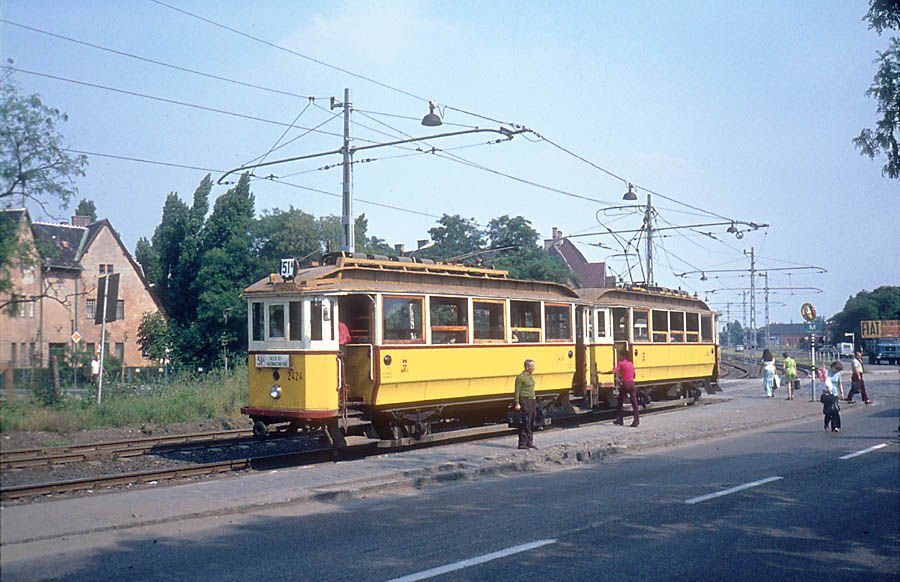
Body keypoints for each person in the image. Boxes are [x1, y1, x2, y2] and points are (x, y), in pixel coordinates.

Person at [609, 350, 639, 427]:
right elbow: (634, 375)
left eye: (621, 356)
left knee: (620, 402)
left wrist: (602, 373)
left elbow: (613, 371)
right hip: (632, 384)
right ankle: (636, 421)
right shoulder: (631, 363)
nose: (620, 357)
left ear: (623, 356)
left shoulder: (621, 363)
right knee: (634, 403)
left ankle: (620, 420)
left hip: (625, 384)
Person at [513, 359, 538, 449]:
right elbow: (517, 391)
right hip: (524, 400)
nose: (534, 368)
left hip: (531, 400)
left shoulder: (530, 377)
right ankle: (522, 443)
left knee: (531, 420)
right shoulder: (520, 377)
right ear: (527, 367)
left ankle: (529, 442)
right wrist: (517, 403)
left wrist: (534, 398)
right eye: (532, 366)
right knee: (525, 421)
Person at [818, 367, 841, 432]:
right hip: (828, 397)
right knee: (828, 412)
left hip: (833, 395)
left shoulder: (826, 379)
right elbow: (824, 388)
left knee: (834, 412)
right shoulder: (824, 380)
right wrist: (827, 391)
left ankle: (835, 427)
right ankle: (826, 424)